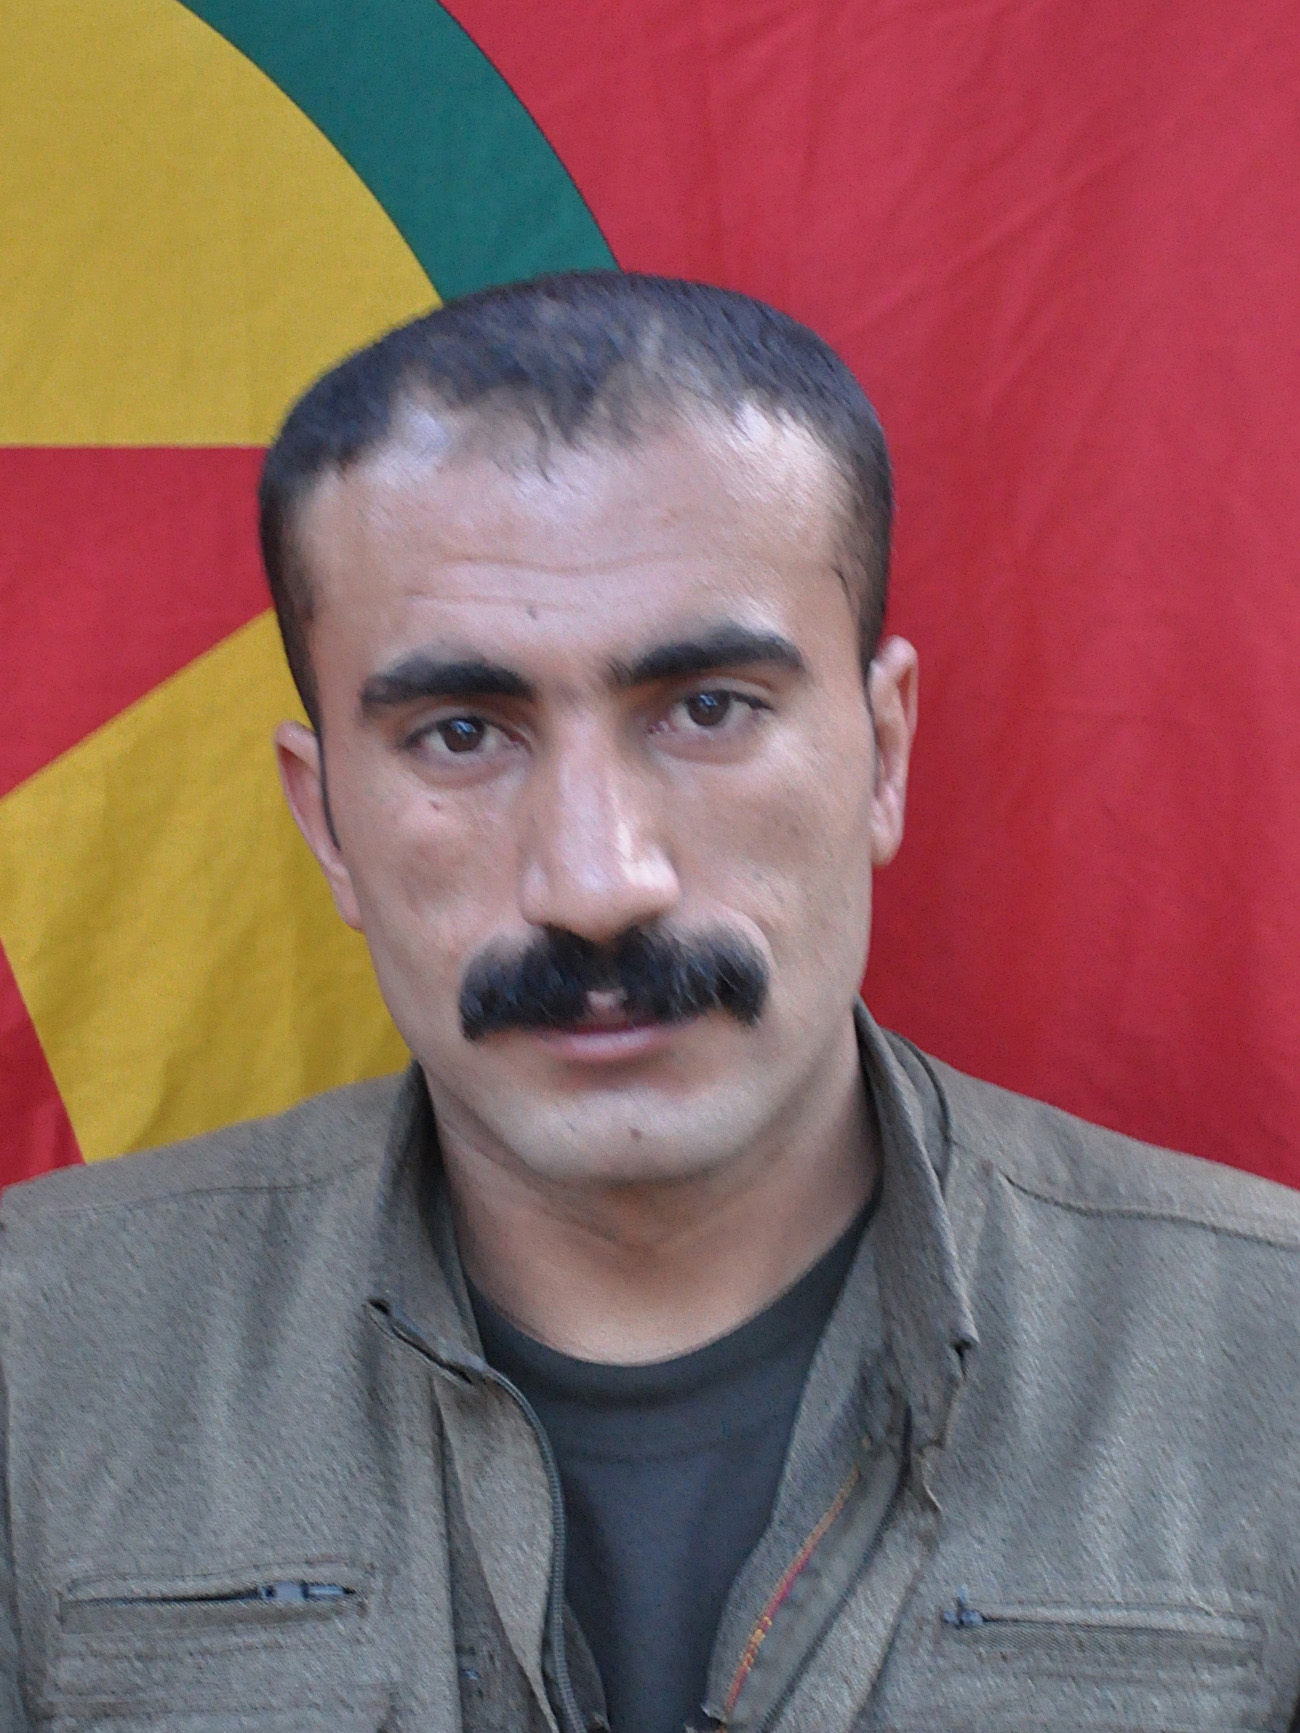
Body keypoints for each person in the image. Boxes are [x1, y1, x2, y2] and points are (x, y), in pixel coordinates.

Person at [3, 273, 1299, 1733]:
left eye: (708, 708)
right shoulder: (32, 1361)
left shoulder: (1272, 1369)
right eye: (463, 732)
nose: (598, 883)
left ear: (883, 754)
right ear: (328, 824)